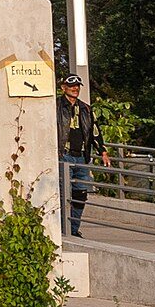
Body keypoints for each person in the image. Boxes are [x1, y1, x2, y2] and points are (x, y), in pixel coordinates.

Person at [56, 70, 104, 240]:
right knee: (63, 193)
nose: (75, 88)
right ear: (63, 88)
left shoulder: (86, 109)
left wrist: (102, 150)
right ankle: (63, 229)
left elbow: (95, 131)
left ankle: (73, 228)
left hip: (81, 156)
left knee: (80, 195)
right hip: (64, 155)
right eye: (71, 86)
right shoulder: (56, 106)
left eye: (77, 86)